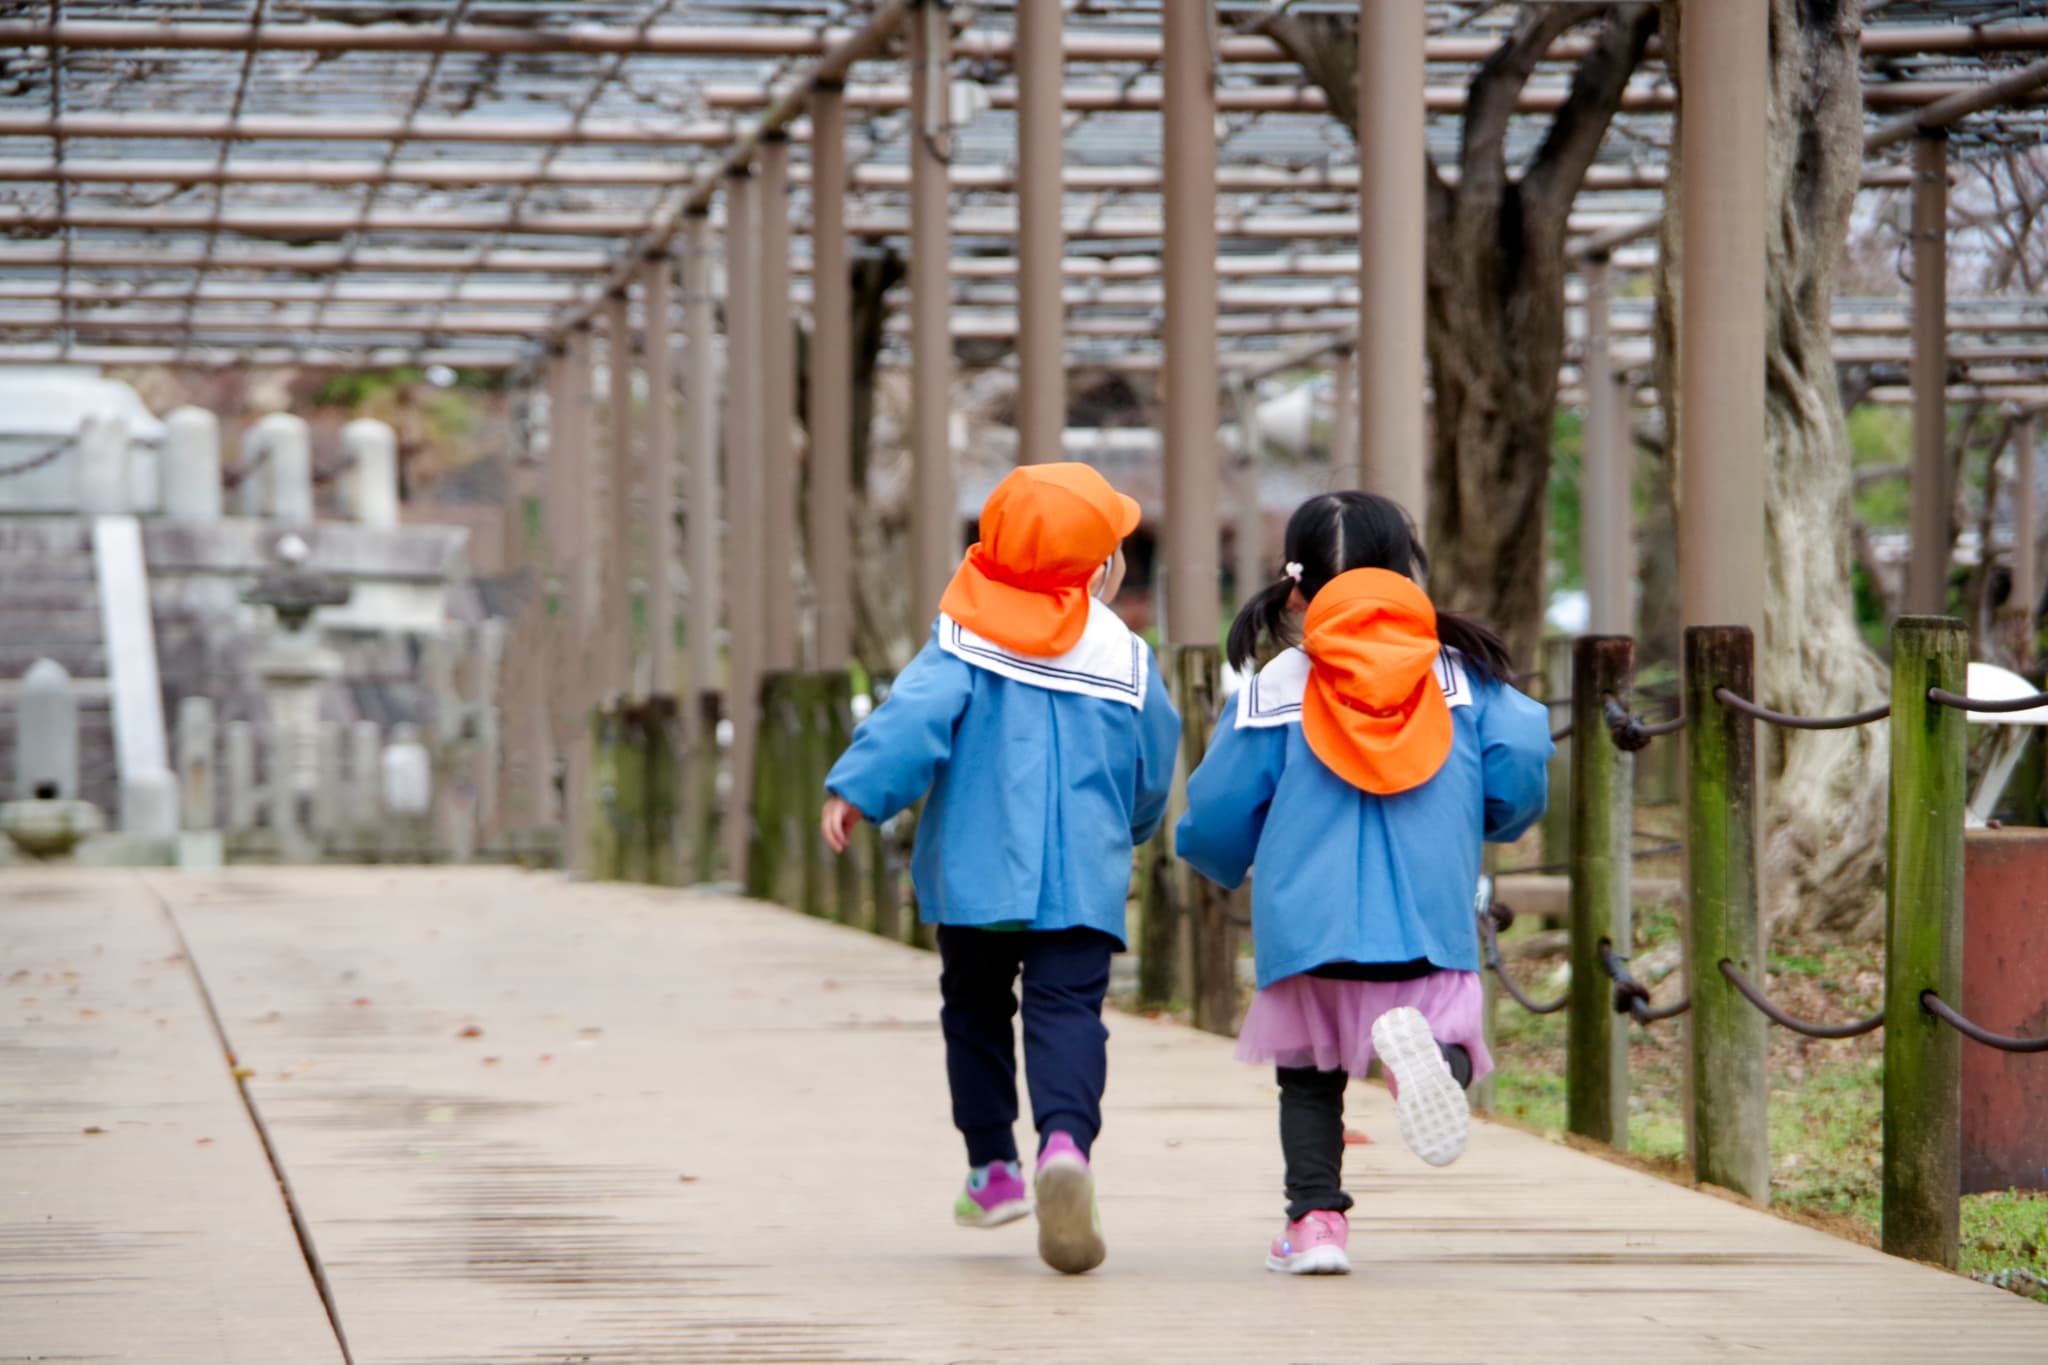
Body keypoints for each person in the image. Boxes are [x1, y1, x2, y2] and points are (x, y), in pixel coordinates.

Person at [1175, 491, 1552, 1276]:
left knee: (1308, 1083)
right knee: (1446, 1024)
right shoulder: (1462, 676)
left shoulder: (1276, 687)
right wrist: (1495, 815)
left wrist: (1219, 859)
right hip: (1428, 917)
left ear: (1298, 587)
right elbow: (1520, 746)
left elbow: (1215, 809)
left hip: (1308, 926)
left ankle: (1315, 1224)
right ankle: (1430, 1065)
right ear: (1407, 570)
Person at [820, 462, 1181, 1275]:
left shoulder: (965, 638)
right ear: (1095, 569)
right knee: (1067, 1014)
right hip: (1082, 881)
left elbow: (910, 724)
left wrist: (856, 791)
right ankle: (1065, 1142)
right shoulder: (1123, 656)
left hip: (978, 879)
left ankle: (993, 1171)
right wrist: (1136, 827)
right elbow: (1153, 758)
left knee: (976, 1008)